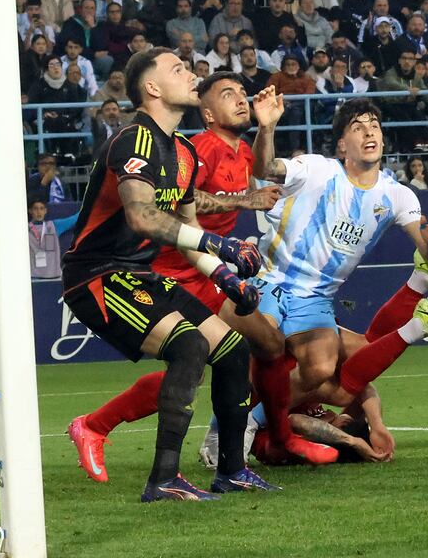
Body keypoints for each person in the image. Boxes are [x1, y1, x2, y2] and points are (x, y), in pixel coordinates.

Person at [68, 76, 334, 473]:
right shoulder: (198, 148)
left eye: (243, 95)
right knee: (239, 349)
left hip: (205, 266)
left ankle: (258, 441)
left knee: (249, 349)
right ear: (207, 113)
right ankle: (257, 439)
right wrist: (242, 205)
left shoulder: (237, 149)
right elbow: (173, 209)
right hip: (171, 265)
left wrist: (267, 127)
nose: (241, 100)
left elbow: (263, 170)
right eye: (229, 96)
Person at [59, 48, 274, 501]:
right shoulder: (133, 139)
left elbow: (189, 231)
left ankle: (232, 471)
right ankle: (163, 479)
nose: (190, 73)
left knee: (233, 350)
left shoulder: (183, 152)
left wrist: (227, 279)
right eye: (177, 69)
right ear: (152, 88)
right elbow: (143, 217)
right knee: (190, 345)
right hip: (97, 275)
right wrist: (222, 246)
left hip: (142, 274)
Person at [247, 95, 428, 453]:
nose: (369, 132)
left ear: (383, 139)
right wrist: (267, 127)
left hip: (316, 300)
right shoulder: (317, 169)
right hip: (270, 279)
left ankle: (250, 420)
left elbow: (426, 248)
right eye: (358, 127)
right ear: (342, 145)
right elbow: (264, 168)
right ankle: (230, 426)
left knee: (328, 366)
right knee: (254, 360)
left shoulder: (397, 195)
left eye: (374, 126)